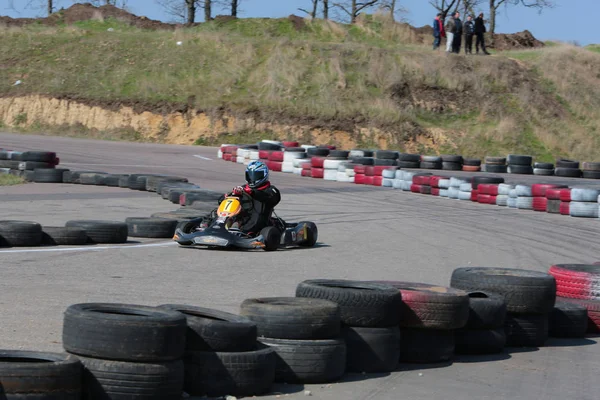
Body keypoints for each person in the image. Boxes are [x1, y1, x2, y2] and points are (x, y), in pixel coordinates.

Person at [215, 160, 281, 235]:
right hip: (240, 218)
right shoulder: (243, 188)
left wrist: (252, 192)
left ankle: (241, 232)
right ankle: (215, 225)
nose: (253, 179)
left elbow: (272, 198)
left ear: (264, 175)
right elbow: (220, 200)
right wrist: (228, 196)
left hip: (258, 222)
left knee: (258, 208)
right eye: (250, 175)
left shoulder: (271, 190)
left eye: (256, 175)